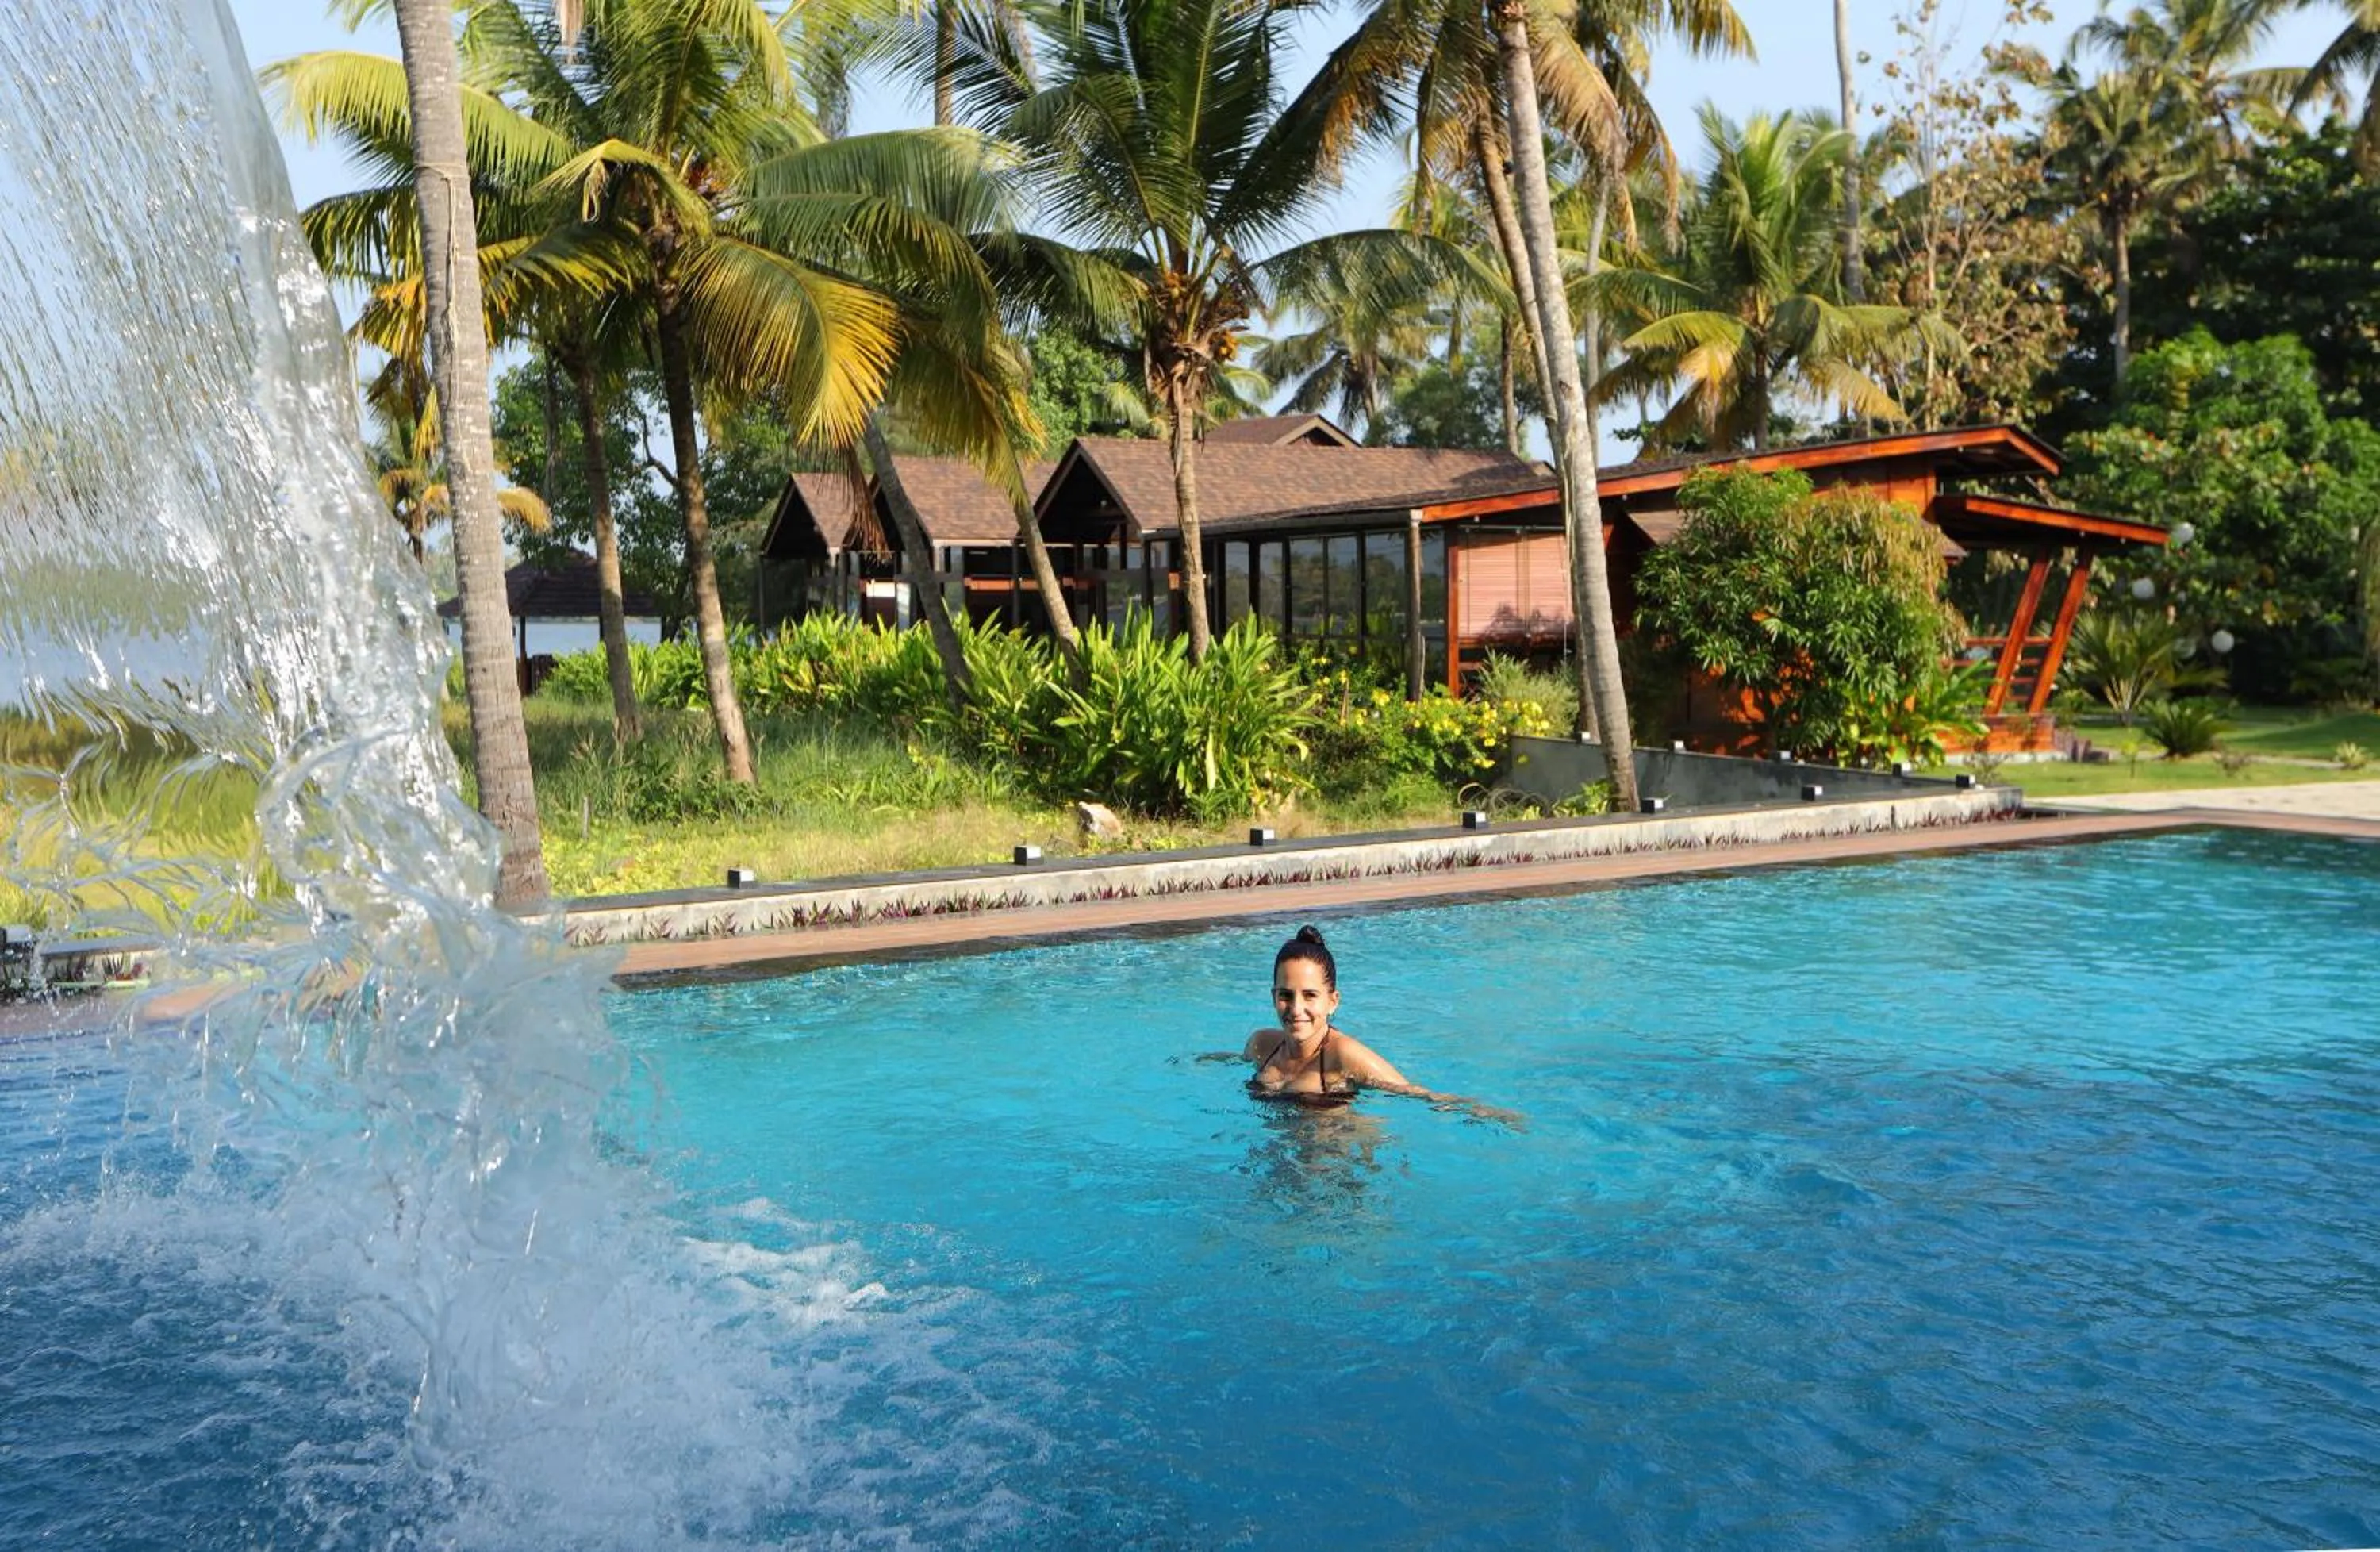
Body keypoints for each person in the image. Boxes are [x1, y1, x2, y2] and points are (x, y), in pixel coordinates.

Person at [1234, 926, 1522, 1127]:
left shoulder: (1344, 1055)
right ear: (1274, 997)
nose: (1296, 1009)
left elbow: (1412, 1092)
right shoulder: (1261, 1046)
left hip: (1333, 1165)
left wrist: (1479, 1111)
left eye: (1310, 995)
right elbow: (1229, 1063)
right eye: (1286, 995)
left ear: (1333, 1001)